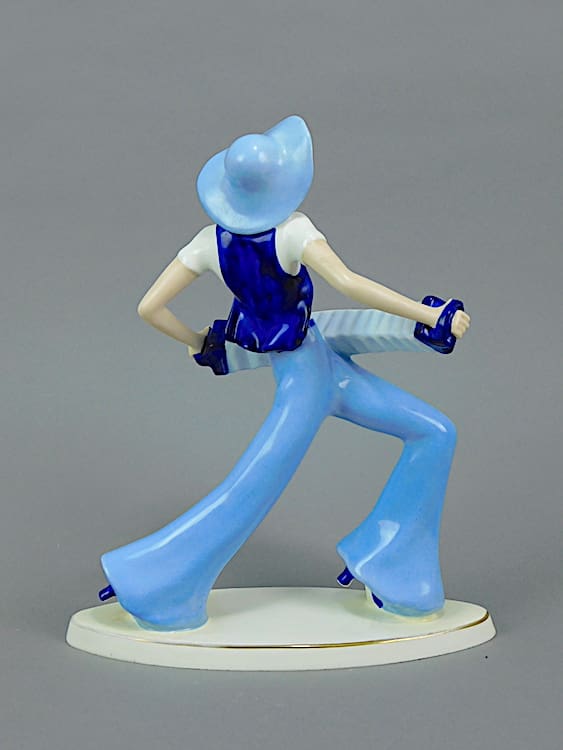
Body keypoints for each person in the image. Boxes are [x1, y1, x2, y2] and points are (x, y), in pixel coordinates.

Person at [99, 115, 470, 631]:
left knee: (435, 432)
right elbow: (348, 282)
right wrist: (427, 314)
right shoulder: (293, 232)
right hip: (305, 381)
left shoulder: (208, 243)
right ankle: (153, 583)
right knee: (250, 487)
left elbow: (149, 308)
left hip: (321, 364)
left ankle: (388, 559)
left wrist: (197, 342)